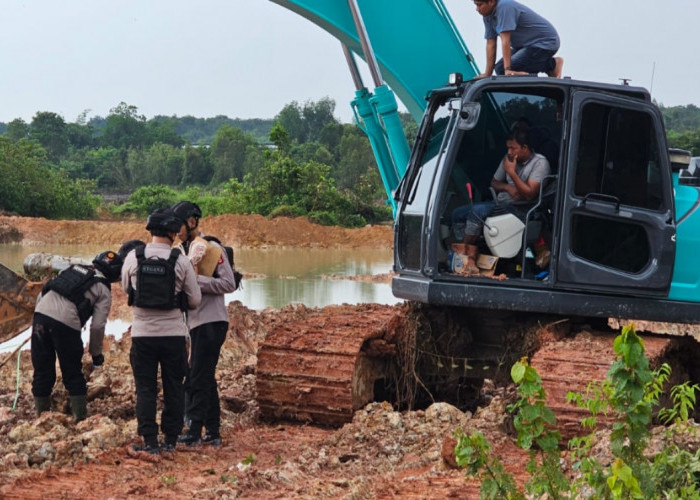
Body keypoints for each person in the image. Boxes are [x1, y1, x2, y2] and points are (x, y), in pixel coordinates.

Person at [121, 208, 201, 455]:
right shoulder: (181, 261)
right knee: (174, 387)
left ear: (151, 231)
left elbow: (126, 289)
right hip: (173, 336)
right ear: (173, 232)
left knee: (145, 388)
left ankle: (150, 441)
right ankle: (170, 439)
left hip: (143, 335)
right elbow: (195, 300)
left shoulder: (133, 257)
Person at [171, 201, 237, 446]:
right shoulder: (183, 250)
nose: (174, 230)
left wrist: (195, 281)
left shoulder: (211, 248)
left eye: (178, 225)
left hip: (212, 321)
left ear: (191, 222)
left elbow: (228, 284)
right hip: (195, 324)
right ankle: (213, 431)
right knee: (205, 376)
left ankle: (194, 430)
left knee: (198, 377)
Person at [31, 250, 123, 421]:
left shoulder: (72, 269)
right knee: (72, 372)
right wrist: (96, 355)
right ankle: (80, 419)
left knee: (42, 370)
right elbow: (97, 326)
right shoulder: (103, 288)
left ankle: (40, 417)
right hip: (66, 323)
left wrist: (40, 320)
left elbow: (44, 291)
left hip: (40, 315)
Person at [451, 125, 550, 246]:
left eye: (513, 148)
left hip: (521, 208)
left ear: (524, 148)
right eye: (508, 148)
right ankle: (468, 244)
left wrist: (512, 173)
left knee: (478, 212)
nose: (509, 152)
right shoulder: (508, 158)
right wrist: (507, 187)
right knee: (457, 213)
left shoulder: (540, 163)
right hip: (501, 203)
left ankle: (465, 251)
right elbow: (494, 182)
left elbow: (529, 195)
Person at [473, 0, 563, 78]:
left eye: (479, 5)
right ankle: (547, 67)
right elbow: (491, 43)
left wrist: (508, 70)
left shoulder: (505, 7)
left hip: (544, 43)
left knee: (504, 71)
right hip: (524, 46)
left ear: (491, 2)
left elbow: (505, 41)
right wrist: (487, 73)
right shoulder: (488, 15)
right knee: (499, 69)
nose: (477, 9)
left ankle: (552, 64)